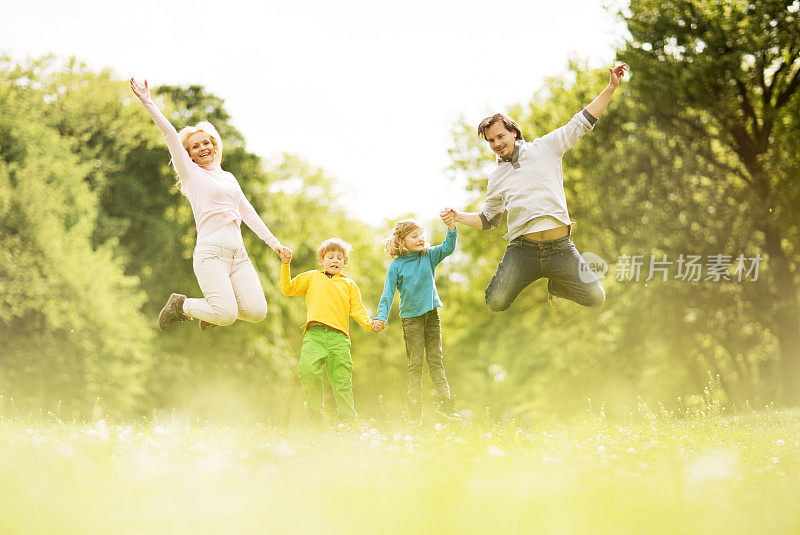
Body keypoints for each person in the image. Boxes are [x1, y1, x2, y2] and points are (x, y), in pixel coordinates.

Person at [441, 63, 627, 312]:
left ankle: (557, 286)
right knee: (496, 302)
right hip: (524, 251)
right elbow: (488, 220)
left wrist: (611, 87)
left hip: (560, 248)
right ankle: (523, 277)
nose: (496, 143)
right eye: (491, 141)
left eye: (500, 136)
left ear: (514, 133)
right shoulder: (497, 177)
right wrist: (458, 216)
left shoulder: (545, 148)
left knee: (595, 296)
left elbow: (582, 121)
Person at [129, 78, 290, 332]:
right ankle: (181, 305)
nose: (202, 147)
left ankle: (213, 311)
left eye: (206, 143)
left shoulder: (229, 178)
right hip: (211, 255)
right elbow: (170, 134)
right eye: (195, 146)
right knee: (226, 314)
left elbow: (248, 213)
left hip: (239, 256)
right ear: (189, 154)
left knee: (257, 312)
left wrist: (275, 244)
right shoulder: (190, 174)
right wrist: (147, 101)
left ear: (215, 146)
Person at [372, 217, 460, 424]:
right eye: (414, 236)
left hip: (432, 316)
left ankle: (446, 407)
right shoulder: (396, 266)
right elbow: (387, 294)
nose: (420, 239)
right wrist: (381, 317)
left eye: (421, 235)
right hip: (411, 320)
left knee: (436, 360)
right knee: (415, 364)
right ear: (401, 242)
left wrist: (451, 228)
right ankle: (414, 412)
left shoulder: (428, 256)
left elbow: (448, 247)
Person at [279, 238, 373, 423]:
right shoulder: (312, 277)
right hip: (314, 335)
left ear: (345, 263)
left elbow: (358, 310)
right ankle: (315, 415)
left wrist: (370, 324)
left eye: (340, 258)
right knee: (307, 370)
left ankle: (347, 424)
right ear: (321, 260)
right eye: (330, 257)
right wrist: (285, 264)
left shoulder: (349, 285)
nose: (335, 260)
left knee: (342, 383)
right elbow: (287, 289)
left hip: (339, 339)